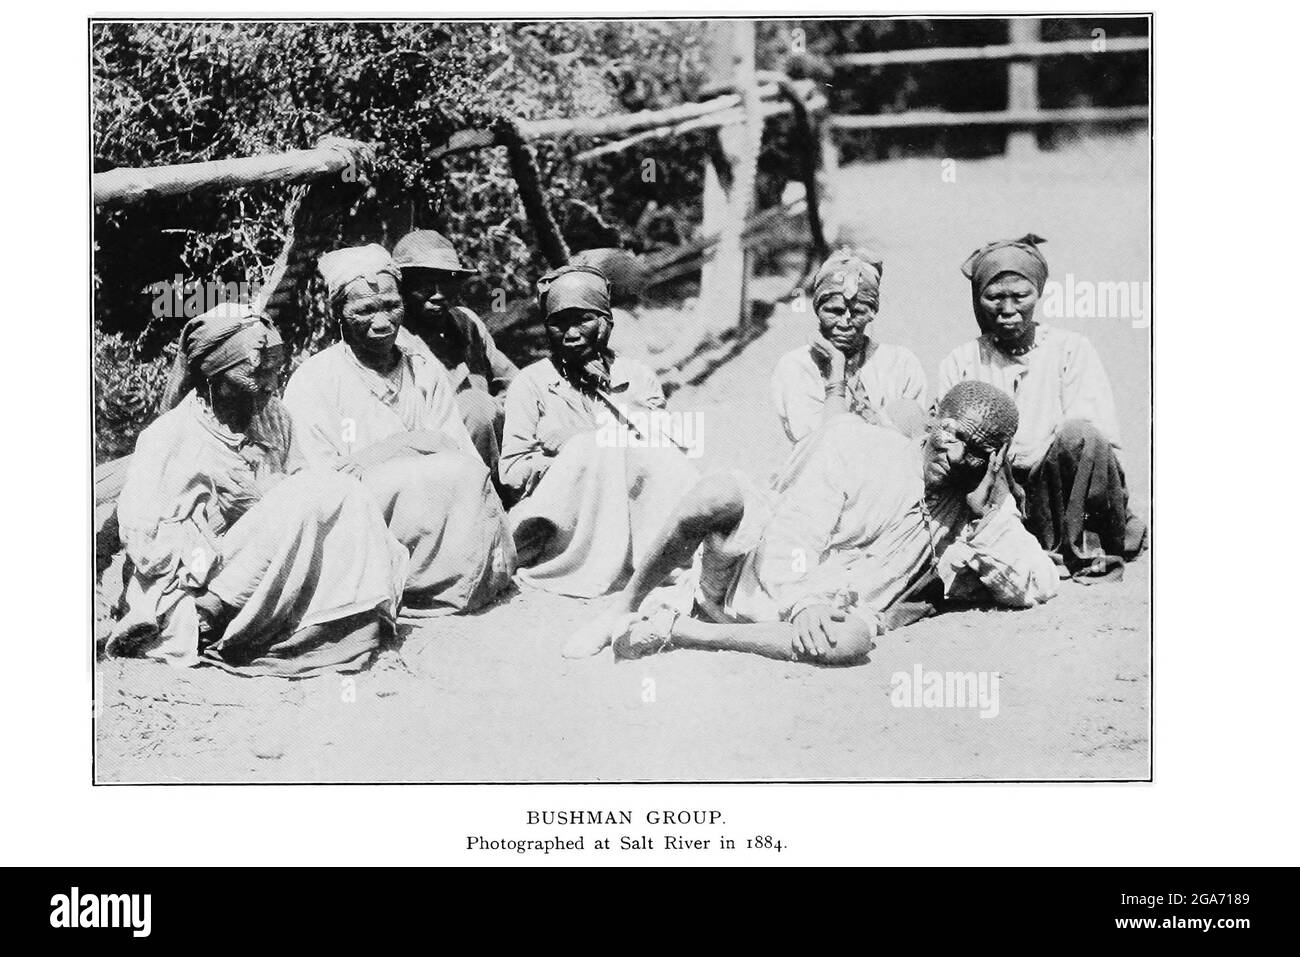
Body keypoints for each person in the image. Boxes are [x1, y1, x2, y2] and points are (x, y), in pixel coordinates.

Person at [564, 381, 1059, 665]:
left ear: (994, 461)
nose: (956, 458)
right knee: (717, 493)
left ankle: (685, 633)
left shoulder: (977, 506)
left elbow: (1038, 582)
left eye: (977, 453)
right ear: (932, 419)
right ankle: (622, 609)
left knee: (854, 642)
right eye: (953, 436)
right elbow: (794, 532)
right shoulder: (860, 446)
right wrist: (804, 601)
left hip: (826, 619)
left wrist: (987, 512)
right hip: (752, 578)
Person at [109, 303, 409, 677]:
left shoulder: (274, 416)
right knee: (308, 493)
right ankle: (212, 619)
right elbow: (146, 545)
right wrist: (221, 520)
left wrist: (265, 501)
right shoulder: (169, 437)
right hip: (198, 582)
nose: (269, 385)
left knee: (341, 489)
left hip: (270, 563)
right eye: (254, 373)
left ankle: (338, 623)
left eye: (274, 372)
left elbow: (306, 491)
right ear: (213, 375)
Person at [283, 244, 514, 617]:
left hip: (437, 520)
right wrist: (407, 448)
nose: (382, 322)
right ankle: (387, 580)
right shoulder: (315, 379)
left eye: (390, 306)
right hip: (365, 524)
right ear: (338, 314)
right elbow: (321, 483)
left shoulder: (422, 369)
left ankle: (452, 578)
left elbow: (457, 451)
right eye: (364, 310)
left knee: (466, 474)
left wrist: (397, 448)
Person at [936, 234, 1147, 578]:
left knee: (1080, 436)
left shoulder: (1071, 350)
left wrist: (1031, 457)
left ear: (1038, 293)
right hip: (994, 489)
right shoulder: (960, 361)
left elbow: (1092, 440)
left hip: (1062, 489)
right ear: (977, 299)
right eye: (994, 298)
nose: (1007, 310)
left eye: (1020, 296)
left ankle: (1079, 548)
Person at [500, 265, 699, 597]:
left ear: (607, 322)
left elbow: (670, 452)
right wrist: (574, 460)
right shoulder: (532, 383)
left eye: (583, 320)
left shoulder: (637, 377)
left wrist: (598, 432)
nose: (572, 333)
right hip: (567, 519)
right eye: (558, 323)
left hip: (636, 510)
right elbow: (510, 473)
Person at [391, 229, 519, 471]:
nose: (438, 294)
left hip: (493, 454)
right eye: (425, 284)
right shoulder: (396, 341)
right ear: (403, 286)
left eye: (448, 281)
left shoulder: (466, 323)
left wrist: (497, 409)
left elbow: (516, 382)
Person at [771, 248, 927, 445]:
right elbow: (820, 445)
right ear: (818, 309)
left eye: (857, 312)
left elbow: (912, 437)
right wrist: (837, 367)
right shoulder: (796, 367)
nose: (845, 322)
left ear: (872, 313)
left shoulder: (900, 364)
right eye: (834, 311)